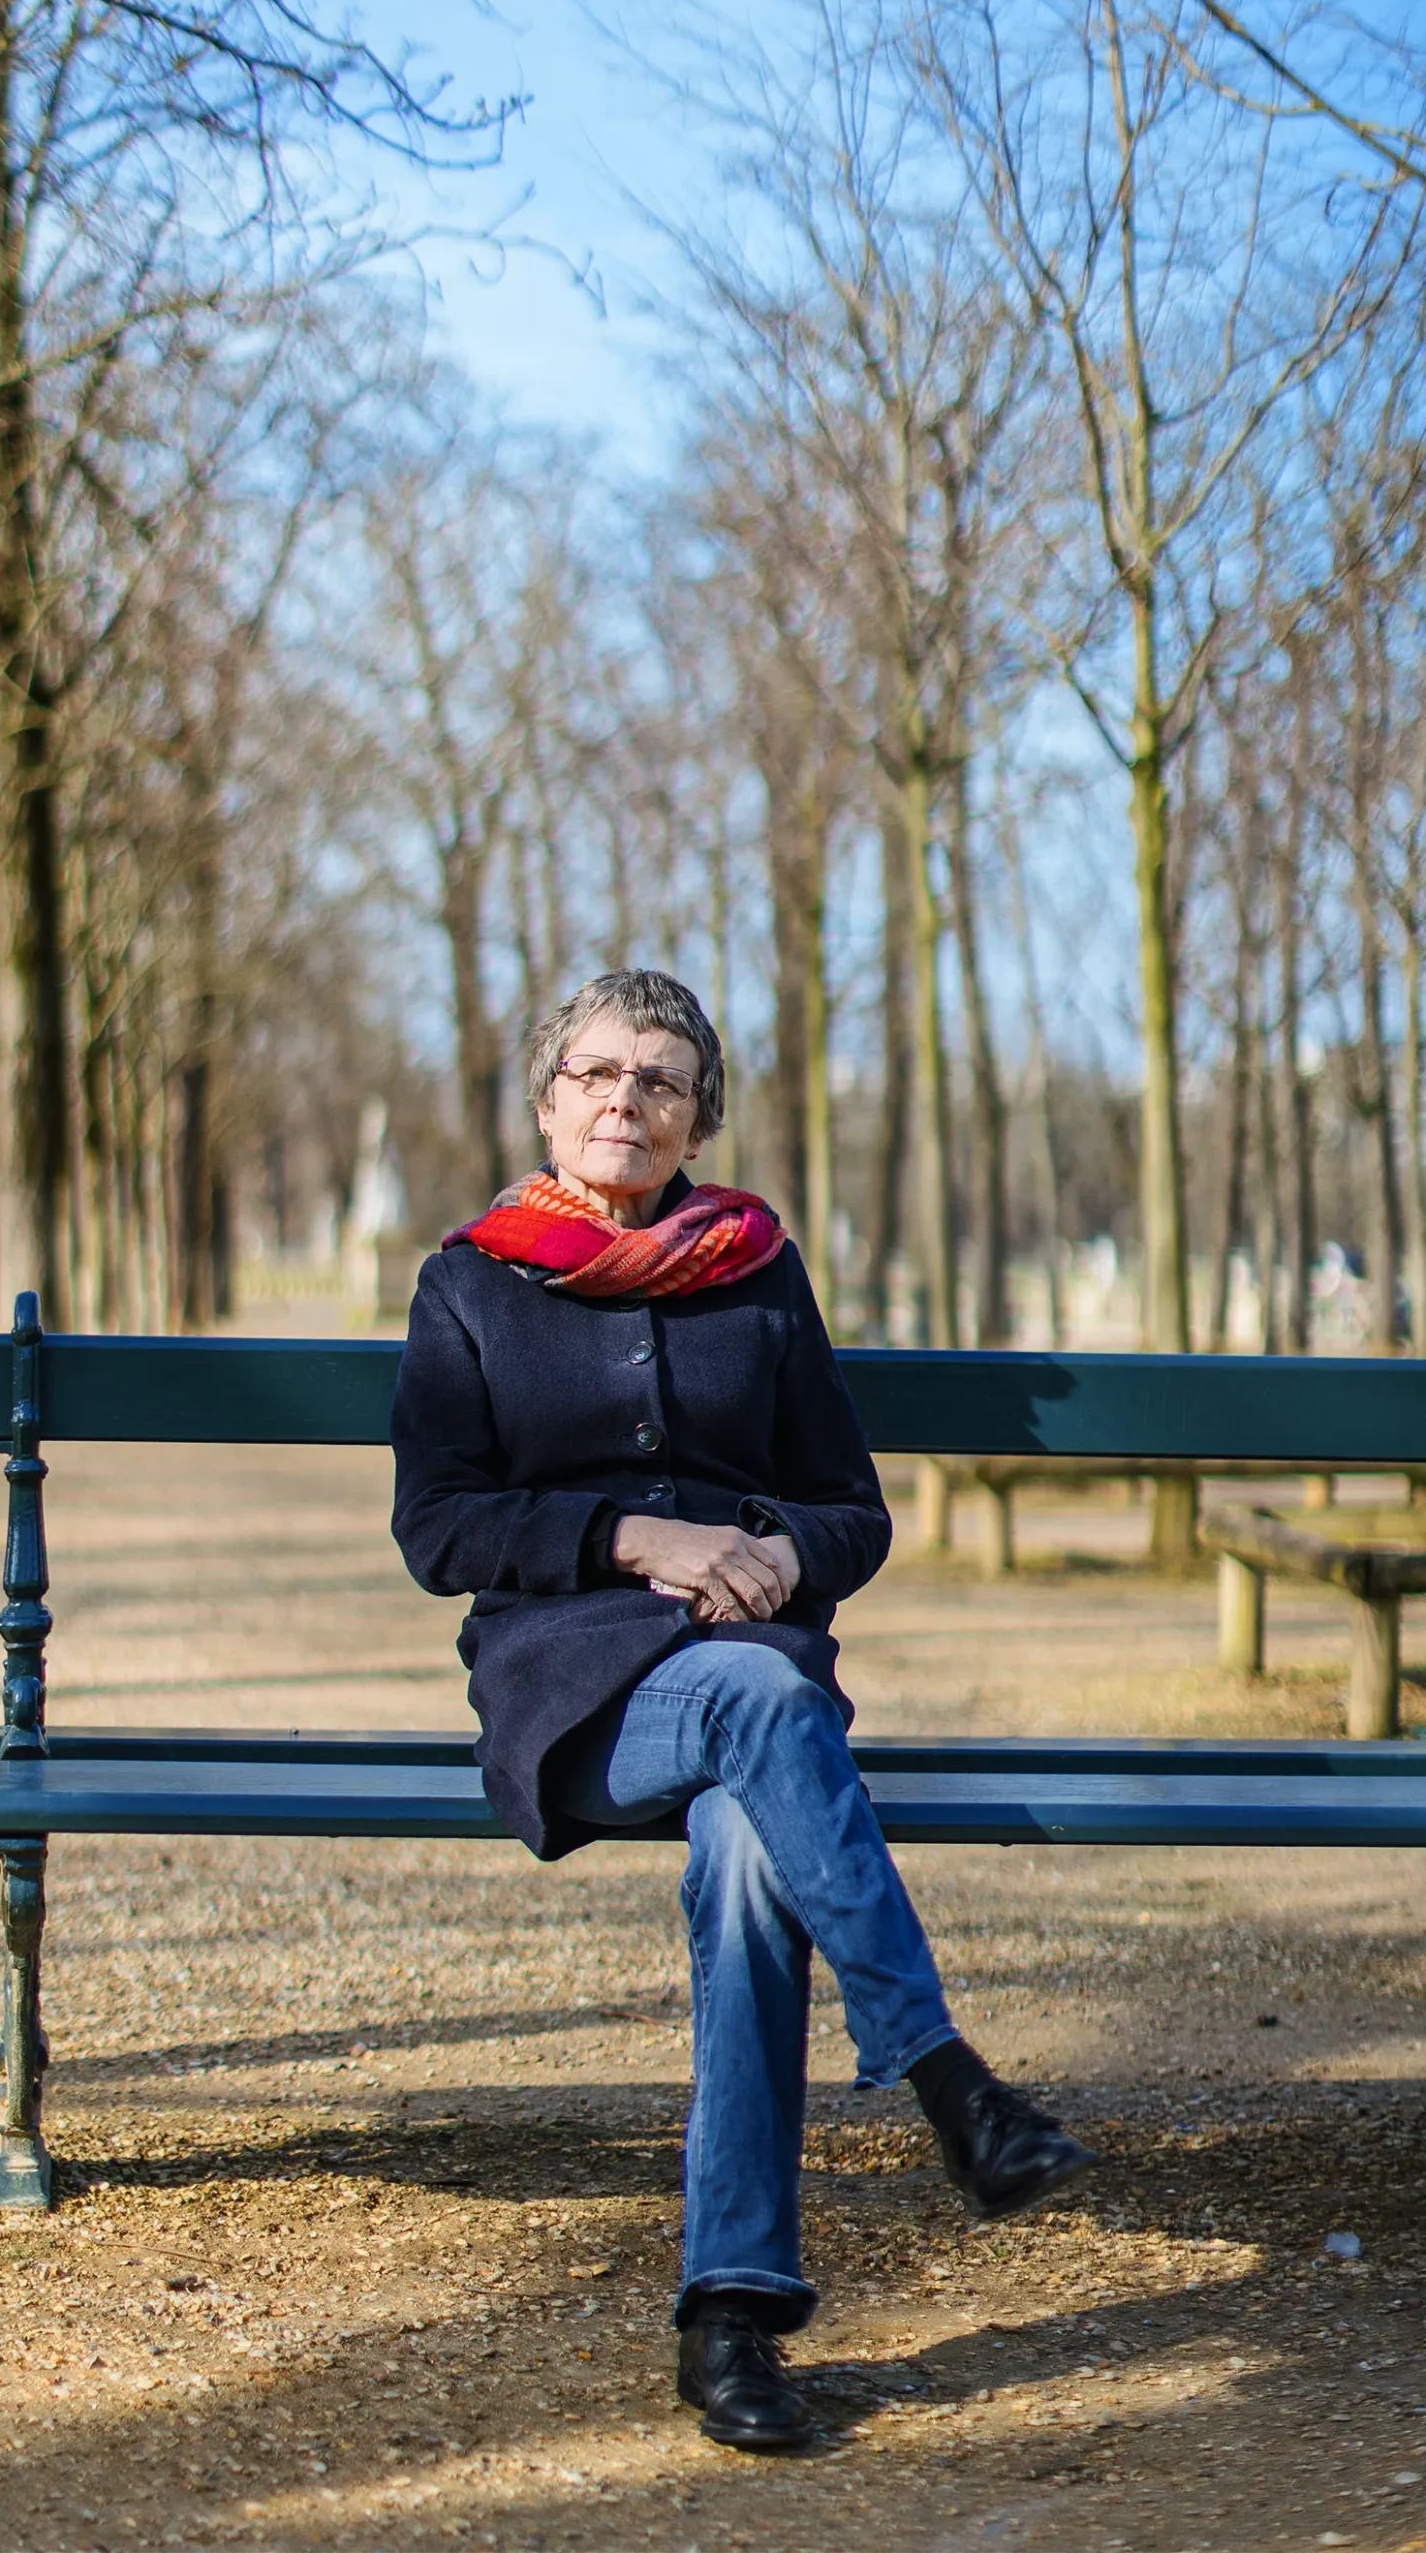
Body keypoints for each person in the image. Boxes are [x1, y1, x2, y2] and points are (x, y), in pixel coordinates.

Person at [391, 968, 1094, 2454]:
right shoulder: (469, 1279)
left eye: (657, 1079)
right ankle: (943, 2075)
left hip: (753, 1683)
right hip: (574, 1693)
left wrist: (777, 1549)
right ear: (544, 1100)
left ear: (698, 1111)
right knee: (767, 1702)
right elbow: (440, 1528)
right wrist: (638, 1543)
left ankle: (732, 2313)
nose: (622, 1101)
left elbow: (853, 1512)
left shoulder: (755, 1269)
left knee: (750, 1860)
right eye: (593, 1074)